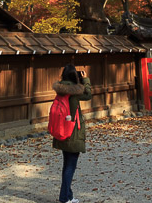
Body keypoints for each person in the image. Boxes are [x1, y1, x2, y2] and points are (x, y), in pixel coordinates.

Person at [52, 64, 92, 203]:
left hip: (62, 130)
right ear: (75, 76)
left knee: (66, 165)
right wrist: (85, 80)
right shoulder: (74, 92)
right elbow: (88, 94)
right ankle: (64, 198)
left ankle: (68, 196)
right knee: (70, 166)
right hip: (73, 132)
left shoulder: (60, 90)